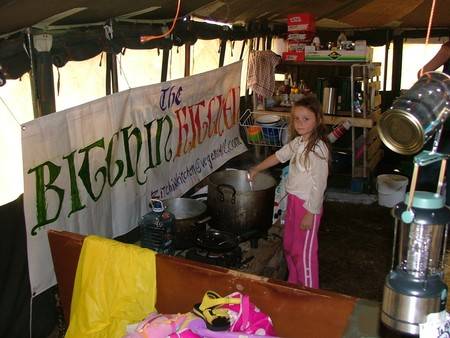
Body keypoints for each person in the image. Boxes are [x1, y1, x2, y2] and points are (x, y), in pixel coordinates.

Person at [248, 95, 331, 288]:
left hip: (308, 206)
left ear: (317, 119)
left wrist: (311, 213)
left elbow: (320, 185)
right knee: (290, 247)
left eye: (306, 118)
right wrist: (257, 168)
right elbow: (278, 156)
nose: (300, 123)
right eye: (296, 118)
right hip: (294, 202)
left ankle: (309, 292)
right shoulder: (299, 142)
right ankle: (294, 285)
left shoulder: (318, 149)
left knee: (304, 253)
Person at [417, 40, 450, 205]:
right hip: (444, 117)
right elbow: (423, 74)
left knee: (433, 162)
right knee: (434, 161)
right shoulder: (447, 49)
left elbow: (423, 73)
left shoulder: (447, 48)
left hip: (444, 117)